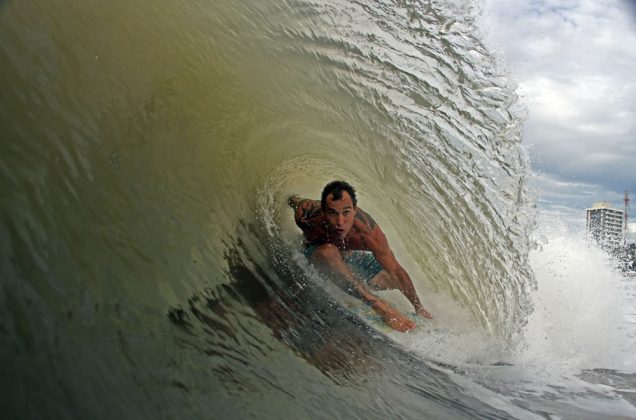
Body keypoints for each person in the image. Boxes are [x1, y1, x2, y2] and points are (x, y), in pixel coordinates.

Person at [288, 180, 432, 332]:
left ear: (354, 211)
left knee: (392, 278)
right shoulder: (307, 216)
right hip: (320, 256)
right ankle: (375, 303)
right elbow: (293, 200)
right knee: (328, 252)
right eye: (333, 213)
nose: (340, 222)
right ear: (324, 211)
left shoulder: (368, 234)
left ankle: (365, 291)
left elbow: (395, 270)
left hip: (349, 258)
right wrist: (380, 307)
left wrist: (418, 307)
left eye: (346, 213)